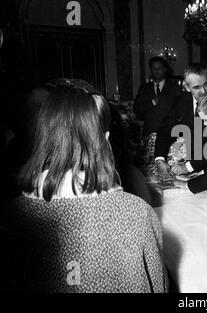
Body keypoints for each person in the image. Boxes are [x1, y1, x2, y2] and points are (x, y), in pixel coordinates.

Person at [2, 79, 167, 292]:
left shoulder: (11, 216)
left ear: (40, 138)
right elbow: (159, 286)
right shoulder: (138, 213)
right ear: (105, 141)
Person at [153, 63, 207, 177]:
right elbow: (165, 130)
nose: (203, 91)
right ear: (186, 87)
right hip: (186, 167)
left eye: (206, 84)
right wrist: (159, 159)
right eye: (196, 87)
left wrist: (188, 167)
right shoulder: (181, 102)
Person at [133, 56, 182, 164]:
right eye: (153, 68)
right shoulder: (144, 89)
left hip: (170, 137)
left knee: (170, 169)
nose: (156, 71)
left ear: (165, 69)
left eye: (159, 68)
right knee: (150, 170)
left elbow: (180, 113)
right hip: (149, 137)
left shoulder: (175, 88)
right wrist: (151, 103)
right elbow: (137, 112)